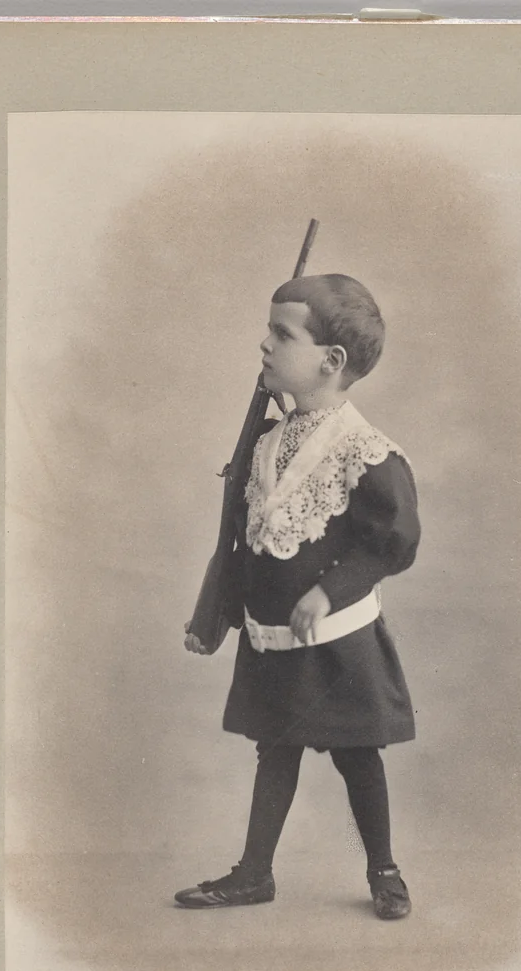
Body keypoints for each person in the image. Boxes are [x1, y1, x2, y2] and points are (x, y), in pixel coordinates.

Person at [175, 273, 420, 919]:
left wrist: (329, 591)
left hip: (337, 641)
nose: (263, 345)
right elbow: (247, 539)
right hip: (273, 638)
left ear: (331, 361)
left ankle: (385, 871)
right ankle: (255, 873)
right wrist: (222, 612)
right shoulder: (265, 443)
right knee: (274, 752)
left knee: (358, 756)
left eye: (281, 334)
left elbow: (394, 540)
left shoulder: (363, 451)